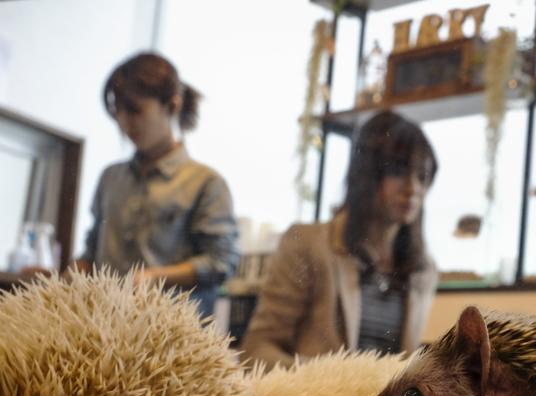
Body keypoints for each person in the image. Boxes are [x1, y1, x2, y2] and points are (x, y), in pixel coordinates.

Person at [241, 110, 439, 370]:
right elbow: (257, 349)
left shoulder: (423, 269)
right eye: (400, 171)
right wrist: (327, 387)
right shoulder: (307, 245)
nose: (413, 189)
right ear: (367, 174)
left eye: (422, 177)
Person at [74, 52, 239, 318]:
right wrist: (64, 279)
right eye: (119, 111)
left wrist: (155, 277)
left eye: (135, 110)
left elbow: (221, 261)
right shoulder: (110, 178)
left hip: (169, 338)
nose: (125, 122)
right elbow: (92, 250)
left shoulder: (206, 183)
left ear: (172, 106)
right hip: (101, 327)